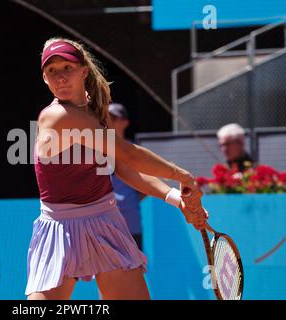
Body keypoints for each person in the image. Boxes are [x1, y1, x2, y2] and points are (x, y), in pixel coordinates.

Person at [26, 38, 208, 300]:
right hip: (60, 227)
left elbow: (122, 168)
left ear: (83, 71)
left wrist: (175, 198)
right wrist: (183, 176)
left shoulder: (95, 110)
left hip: (104, 220)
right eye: (52, 71)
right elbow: (129, 154)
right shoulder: (57, 116)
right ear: (44, 78)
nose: (60, 77)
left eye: (67, 68)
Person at [107, 103, 145, 249]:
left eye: (114, 118)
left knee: (135, 270)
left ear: (125, 123)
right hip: (104, 224)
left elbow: (146, 185)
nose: (109, 121)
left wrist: (129, 200)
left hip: (131, 224)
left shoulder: (135, 151)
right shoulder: (96, 150)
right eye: (107, 118)